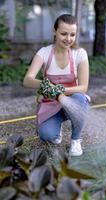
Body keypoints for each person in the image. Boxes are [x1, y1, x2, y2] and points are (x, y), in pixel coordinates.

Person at [23, 14, 90, 156]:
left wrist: (60, 90)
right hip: (51, 103)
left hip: (72, 100)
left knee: (81, 98)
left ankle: (76, 140)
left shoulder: (79, 54)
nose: (68, 39)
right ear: (55, 31)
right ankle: (56, 128)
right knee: (46, 135)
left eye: (72, 34)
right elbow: (27, 80)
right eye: (64, 34)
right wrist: (46, 84)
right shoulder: (44, 52)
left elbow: (83, 87)